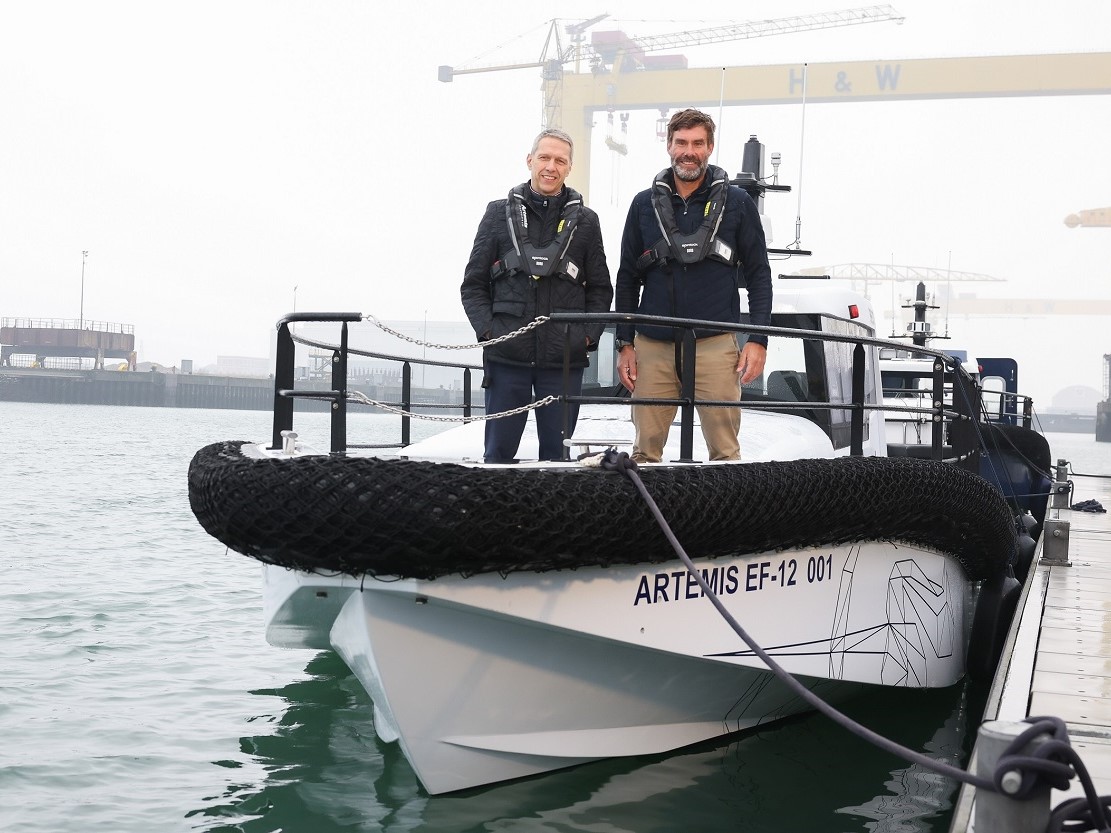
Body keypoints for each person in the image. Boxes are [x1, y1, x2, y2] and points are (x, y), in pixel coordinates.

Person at [614, 108, 772, 463]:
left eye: (698, 143)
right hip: (653, 346)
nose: (689, 151)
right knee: (645, 451)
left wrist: (758, 340)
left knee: (725, 452)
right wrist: (624, 343)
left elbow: (760, 274)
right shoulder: (642, 205)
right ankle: (647, 517)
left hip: (715, 345)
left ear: (710, 147)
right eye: (681, 142)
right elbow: (627, 276)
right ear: (669, 145)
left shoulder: (738, 203)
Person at [461, 128, 613, 463]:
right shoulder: (497, 214)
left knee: (558, 458)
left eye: (560, 160)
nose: (551, 166)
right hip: (507, 359)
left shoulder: (587, 222)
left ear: (569, 167)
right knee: (498, 455)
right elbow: (473, 284)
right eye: (544, 157)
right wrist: (489, 332)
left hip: (562, 363)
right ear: (530, 160)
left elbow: (601, 288)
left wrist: (586, 338)